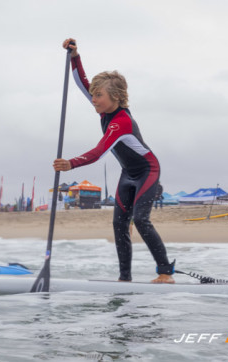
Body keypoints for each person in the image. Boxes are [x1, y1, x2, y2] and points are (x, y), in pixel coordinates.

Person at [52, 38, 175, 284]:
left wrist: (71, 163)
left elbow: (99, 152)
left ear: (116, 97)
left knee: (140, 219)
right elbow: (80, 82)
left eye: (99, 95)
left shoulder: (121, 121)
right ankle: (124, 280)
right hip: (127, 173)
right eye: (93, 95)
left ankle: (165, 273)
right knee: (119, 224)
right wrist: (75, 56)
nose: (93, 100)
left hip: (147, 170)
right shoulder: (104, 109)